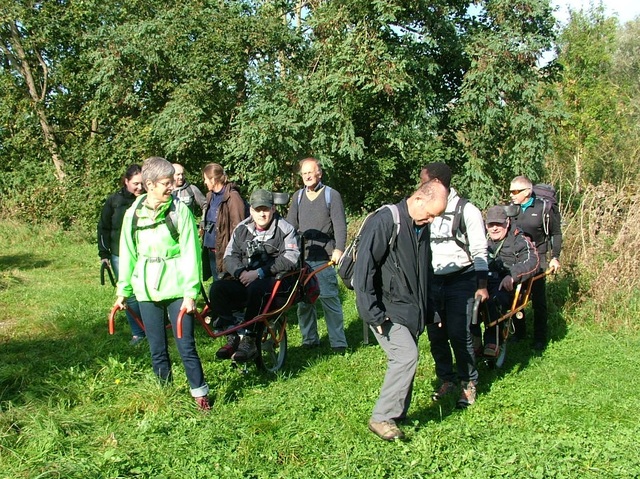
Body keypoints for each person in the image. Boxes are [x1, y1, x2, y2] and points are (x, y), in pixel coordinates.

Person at [353, 180, 448, 441]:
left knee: (408, 356)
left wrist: (432, 310)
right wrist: (373, 313)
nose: (432, 220)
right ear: (418, 199)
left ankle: (397, 414)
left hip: (411, 310)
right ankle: (381, 417)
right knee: (406, 356)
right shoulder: (385, 221)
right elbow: (364, 271)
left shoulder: (421, 226)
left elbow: (424, 273)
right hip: (386, 309)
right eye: (431, 213)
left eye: (436, 216)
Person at [114, 157, 210, 411]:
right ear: (149, 184)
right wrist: (123, 290)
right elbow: (128, 253)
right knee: (156, 347)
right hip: (147, 289)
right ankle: (164, 396)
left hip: (178, 287)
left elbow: (191, 253)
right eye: (165, 183)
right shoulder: (133, 214)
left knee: (185, 346)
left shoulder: (180, 212)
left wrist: (191, 292)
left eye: (171, 182)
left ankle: (200, 395)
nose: (171, 187)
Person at [422, 162, 489, 409]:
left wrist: (481, 285)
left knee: (460, 334)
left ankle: (468, 382)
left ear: (436, 182)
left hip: (461, 278)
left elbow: (480, 249)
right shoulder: (425, 210)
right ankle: (446, 379)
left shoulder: (467, 210)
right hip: (433, 280)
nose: (420, 186)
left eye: (423, 181)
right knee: (436, 335)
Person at [208, 189, 300, 362]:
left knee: (257, 289)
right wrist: (240, 272)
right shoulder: (242, 228)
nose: (262, 214)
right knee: (217, 288)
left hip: (274, 281)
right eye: (258, 210)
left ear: (273, 209)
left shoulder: (285, 229)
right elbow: (229, 256)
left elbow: (290, 258)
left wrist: (258, 273)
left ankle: (249, 338)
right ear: (251, 210)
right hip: (245, 277)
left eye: (265, 209)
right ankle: (232, 334)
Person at [286, 158, 348, 353]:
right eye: (304, 173)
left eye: (310, 172)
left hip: (325, 257)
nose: (307, 176)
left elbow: (339, 224)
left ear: (319, 173)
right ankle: (309, 340)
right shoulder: (297, 197)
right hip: (302, 258)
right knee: (304, 303)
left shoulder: (331, 195)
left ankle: (338, 342)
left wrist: (339, 249)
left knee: (329, 298)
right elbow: (290, 227)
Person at [509, 175, 562, 350]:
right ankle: (519, 333)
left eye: (515, 191)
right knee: (516, 297)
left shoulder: (543, 208)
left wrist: (555, 257)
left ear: (527, 191)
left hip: (538, 256)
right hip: (518, 256)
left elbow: (555, 233)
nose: (512, 195)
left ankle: (540, 338)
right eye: (510, 191)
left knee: (538, 299)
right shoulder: (512, 209)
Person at [97, 164, 146, 346]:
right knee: (129, 294)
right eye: (135, 184)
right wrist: (104, 254)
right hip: (120, 255)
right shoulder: (114, 201)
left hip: (144, 253)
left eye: (142, 184)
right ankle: (138, 333)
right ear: (126, 181)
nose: (139, 188)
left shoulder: (148, 201)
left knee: (147, 290)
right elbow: (103, 227)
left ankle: (155, 327)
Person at [483, 205, 540, 356]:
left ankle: (492, 343)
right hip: (484, 280)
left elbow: (532, 261)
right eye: (491, 224)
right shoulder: (481, 239)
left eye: (498, 224)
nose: (494, 228)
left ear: (507, 223)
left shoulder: (518, 238)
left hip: (507, 285)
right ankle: (472, 342)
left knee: (493, 300)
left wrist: (513, 275)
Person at [201, 163, 247, 281]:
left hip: (225, 251)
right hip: (211, 249)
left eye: (206, 179)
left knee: (224, 285)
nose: (204, 182)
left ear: (213, 179)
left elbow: (238, 226)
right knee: (216, 283)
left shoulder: (233, 197)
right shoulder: (210, 196)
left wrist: (233, 252)